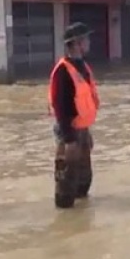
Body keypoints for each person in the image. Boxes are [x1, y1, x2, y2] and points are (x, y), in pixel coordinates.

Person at [48, 22, 99, 209]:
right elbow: (61, 107)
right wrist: (69, 140)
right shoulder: (63, 71)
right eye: (86, 39)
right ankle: (65, 220)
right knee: (66, 186)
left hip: (82, 130)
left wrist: (86, 133)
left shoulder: (82, 66)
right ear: (77, 43)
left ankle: (82, 223)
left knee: (84, 181)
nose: (89, 42)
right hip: (69, 132)